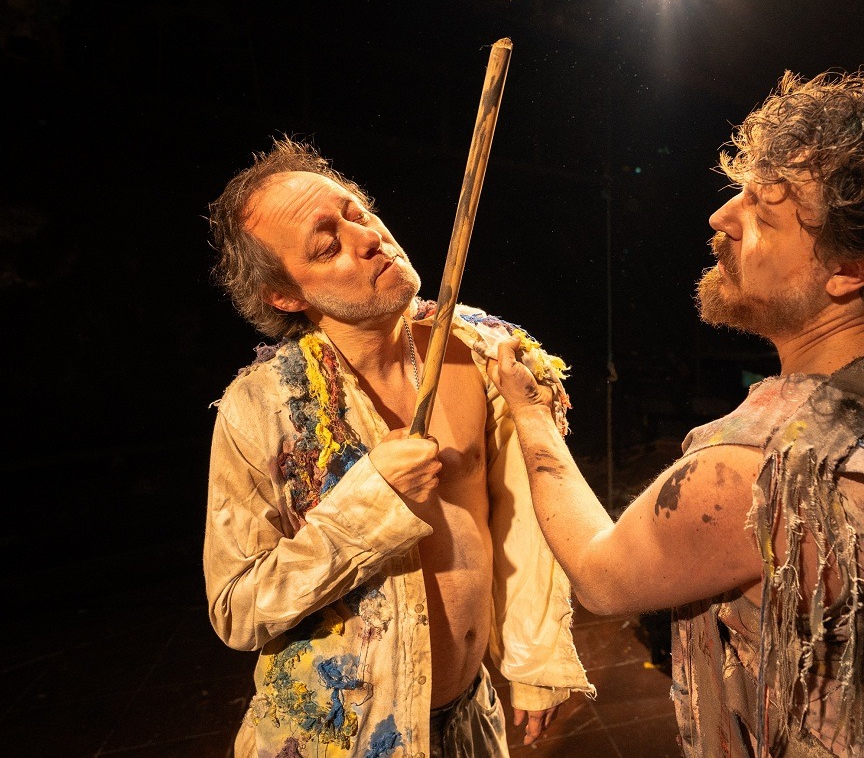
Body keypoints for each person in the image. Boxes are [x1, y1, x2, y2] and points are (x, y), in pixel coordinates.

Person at [490, 70, 864, 757]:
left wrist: (531, 414)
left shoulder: (755, 474)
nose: (721, 218)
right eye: (741, 191)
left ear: (852, 270)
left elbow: (599, 575)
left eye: (763, 217)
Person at [202, 136, 593, 758]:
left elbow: (520, 518)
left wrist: (533, 657)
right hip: (335, 738)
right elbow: (237, 609)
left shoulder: (483, 353)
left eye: (357, 213)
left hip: (468, 724)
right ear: (286, 295)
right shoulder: (261, 408)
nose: (367, 238)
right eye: (327, 246)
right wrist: (369, 503)